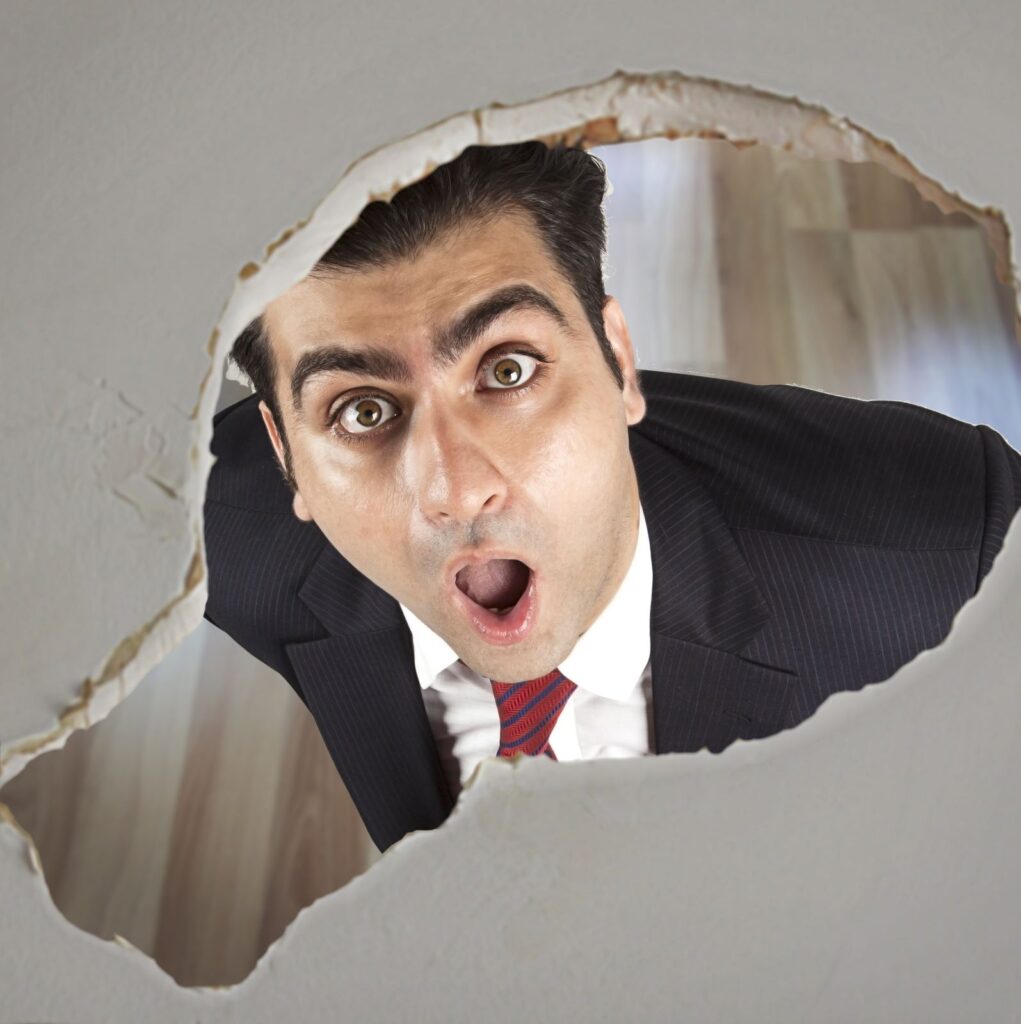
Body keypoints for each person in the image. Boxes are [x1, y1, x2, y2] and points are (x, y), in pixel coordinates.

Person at [203, 141, 1021, 853]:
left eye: (507, 369)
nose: (455, 491)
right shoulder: (211, 534)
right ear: (287, 458)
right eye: (363, 410)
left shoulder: (955, 555)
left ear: (619, 363)